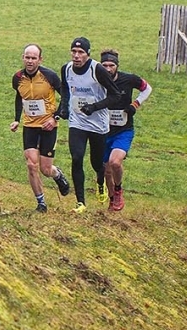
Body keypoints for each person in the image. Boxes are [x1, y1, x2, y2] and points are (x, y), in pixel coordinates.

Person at [74, 49, 151, 212]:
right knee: (106, 169)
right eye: (105, 65)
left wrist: (135, 104)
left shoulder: (128, 79)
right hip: (103, 131)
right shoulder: (96, 81)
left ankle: (118, 190)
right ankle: (111, 200)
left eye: (111, 65)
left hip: (123, 130)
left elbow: (147, 88)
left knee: (115, 162)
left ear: (117, 66)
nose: (108, 69)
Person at [9, 44, 72, 212]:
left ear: (40, 59)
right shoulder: (18, 78)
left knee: (45, 169)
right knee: (31, 164)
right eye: (27, 57)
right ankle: (41, 203)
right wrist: (16, 119)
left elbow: (66, 97)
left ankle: (57, 174)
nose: (30, 61)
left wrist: (55, 117)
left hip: (48, 127)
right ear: (23, 58)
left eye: (33, 58)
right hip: (30, 126)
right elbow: (19, 97)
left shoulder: (49, 76)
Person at [61, 37, 109, 212]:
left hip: (99, 124)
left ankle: (100, 179)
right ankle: (80, 202)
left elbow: (115, 95)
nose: (76, 55)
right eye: (73, 51)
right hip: (78, 122)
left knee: (96, 162)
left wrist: (94, 107)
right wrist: (64, 107)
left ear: (88, 54)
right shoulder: (66, 69)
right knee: (76, 157)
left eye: (80, 52)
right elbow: (65, 88)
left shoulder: (98, 70)